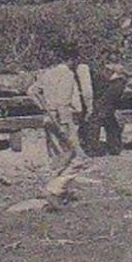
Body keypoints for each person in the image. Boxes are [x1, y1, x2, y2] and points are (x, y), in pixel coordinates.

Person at [28, 36, 94, 187]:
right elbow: (63, 101)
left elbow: (31, 91)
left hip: (48, 116)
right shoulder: (67, 74)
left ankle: (58, 183)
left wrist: (43, 107)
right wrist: (64, 123)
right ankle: (60, 186)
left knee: (56, 153)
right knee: (75, 154)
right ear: (72, 59)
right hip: (62, 116)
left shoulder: (48, 73)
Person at [79, 35, 129, 157]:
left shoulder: (85, 64)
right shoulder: (98, 62)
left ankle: (93, 149)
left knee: (95, 118)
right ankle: (114, 146)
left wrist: (89, 105)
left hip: (109, 87)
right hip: (113, 85)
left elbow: (88, 89)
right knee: (108, 116)